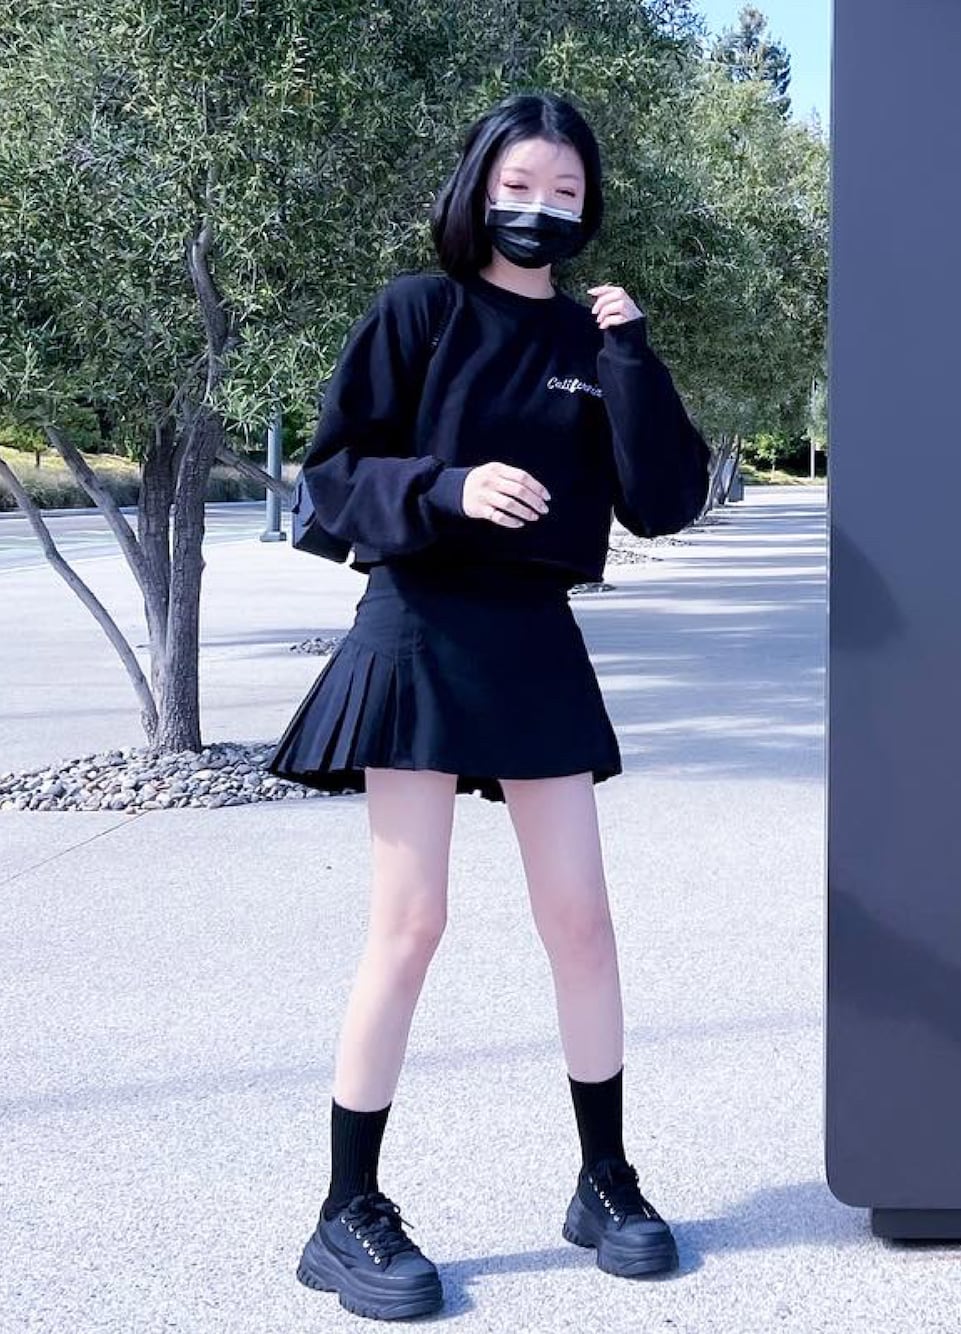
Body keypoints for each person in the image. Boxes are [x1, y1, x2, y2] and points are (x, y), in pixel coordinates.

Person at [268, 90, 710, 1321]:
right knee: (410, 924)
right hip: (418, 625)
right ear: (477, 187)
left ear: (588, 205)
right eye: (519, 185)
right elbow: (331, 475)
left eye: (564, 191)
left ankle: (604, 1183)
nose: (539, 208)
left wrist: (631, 356)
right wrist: (448, 488)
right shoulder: (419, 309)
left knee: (582, 922)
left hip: (533, 634)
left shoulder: (591, 336)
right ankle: (345, 1209)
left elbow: (663, 499)